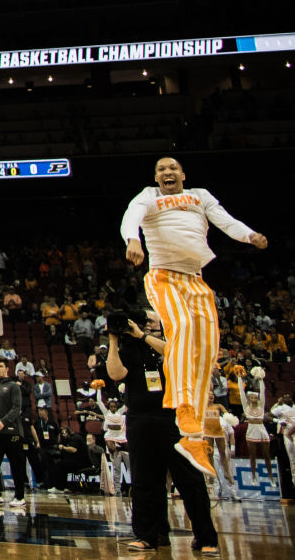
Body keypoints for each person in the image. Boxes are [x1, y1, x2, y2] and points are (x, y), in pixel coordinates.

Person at [120, 155, 267, 475]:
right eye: (161, 169)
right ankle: (184, 409)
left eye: (172, 168)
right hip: (163, 277)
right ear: (156, 177)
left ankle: (193, 435)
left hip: (195, 281)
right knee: (182, 328)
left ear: (183, 174)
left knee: (207, 348)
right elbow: (131, 215)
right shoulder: (149, 196)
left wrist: (249, 235)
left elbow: (225, 220)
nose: (166, 172)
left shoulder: (200, 196)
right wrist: (133, 238)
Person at [107, 313, 217, 553]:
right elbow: (115, 374)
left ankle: (206, 538)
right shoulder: (129, 348)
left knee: (189, 480)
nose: (146, 323)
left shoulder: (174, 341)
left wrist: (143, 335)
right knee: (145, 481)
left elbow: (175, 355)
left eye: (150, 320)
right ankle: (147, 536)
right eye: (143, 320)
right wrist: (114, 340)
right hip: (139, 419)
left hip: (173, 417)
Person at [0, 357, 28, 503]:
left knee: (16, 465)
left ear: (7, 368)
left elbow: (17, 408)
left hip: (12, 432)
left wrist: (3, 421)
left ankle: (20, 497)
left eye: (0, 366)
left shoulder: (14, 386)